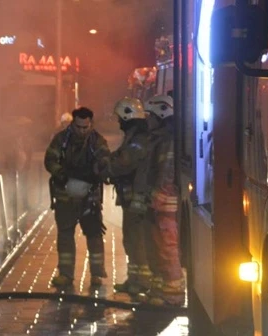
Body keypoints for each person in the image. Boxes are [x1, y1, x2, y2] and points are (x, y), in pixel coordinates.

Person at [44, 107, 110, 289]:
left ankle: (97, 274)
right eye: (79, 127)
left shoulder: (98, 141)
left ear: (91, 124)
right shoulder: (61, 140)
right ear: (73, 123)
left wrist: (94, 174)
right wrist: (62, 175)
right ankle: (65, 274)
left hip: (90, 198)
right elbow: (50, 160)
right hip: (65, 197)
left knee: (94, 235)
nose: (82, 131)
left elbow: (105, 161)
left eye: (85, 127)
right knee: (65, 235)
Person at [96, 97, 153, 296]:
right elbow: (120, 156)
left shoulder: (138, 139)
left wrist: (105, 168)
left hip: (137, 199)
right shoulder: (134, 135)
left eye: (120, 117)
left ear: (128, 116)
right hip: (131, 197)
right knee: (130, 239)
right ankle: (135, 280)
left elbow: (124, 162)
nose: (118, 121)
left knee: (136, 240)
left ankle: (142, 281)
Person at [143, 94, 185, 306]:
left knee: (168, 247)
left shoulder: (168, 141)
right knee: (160, 246)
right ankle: (161, 289)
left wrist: (158, 196)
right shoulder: (160, 138)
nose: (148, 120)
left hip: (165, 203)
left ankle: (173, 293)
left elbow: (167, 172)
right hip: (159, 203)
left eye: (150, 116)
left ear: (161, 114)